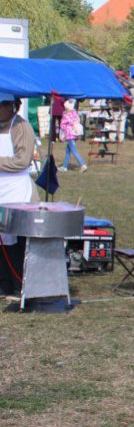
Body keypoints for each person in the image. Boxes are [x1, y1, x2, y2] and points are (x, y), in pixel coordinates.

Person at [0, 93, 37, 296]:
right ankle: (3, 282)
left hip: (16, 192)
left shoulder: (20, 127)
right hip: (1, 190)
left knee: (14, 243)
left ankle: (18, 283)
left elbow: (22, 160)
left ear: (10, 106)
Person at [58, 99, 87, 172]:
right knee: (68, 150)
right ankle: (64, 166)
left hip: (69, 135)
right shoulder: (75, 114)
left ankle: (83, 164)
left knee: (74, 151)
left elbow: (62, 125)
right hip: (75, 134)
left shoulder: (66, 116)